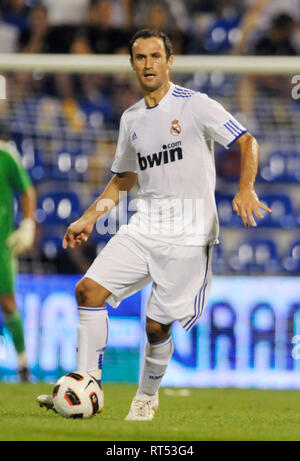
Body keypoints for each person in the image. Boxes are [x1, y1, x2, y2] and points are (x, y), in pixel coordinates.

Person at [37, 28, 271, 420]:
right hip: (144, 227)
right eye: (141, 57)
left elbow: (247, 141)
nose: (148, 64)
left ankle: (146, 396)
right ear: (132, 64)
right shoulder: (131, 120)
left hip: (190, 235)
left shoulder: (195, 105)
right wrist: (90, 217)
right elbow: (125, 177)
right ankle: (87, 382)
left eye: (155, 56)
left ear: (169, 61)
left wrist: (246, 189)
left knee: (155, 327)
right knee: (88, 290)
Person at [0, 127, 36, 382]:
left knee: (7, 301)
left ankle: (23, 364)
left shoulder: (5, 155)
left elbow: (27, 191)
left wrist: (27, 223)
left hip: (1, 244)